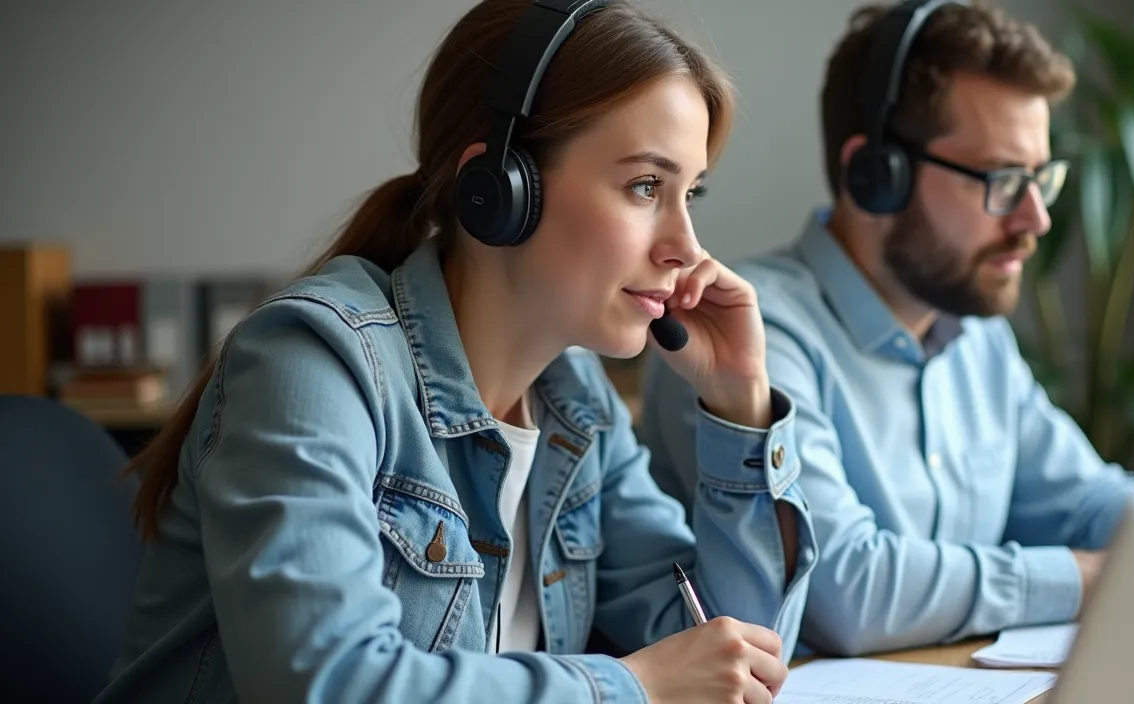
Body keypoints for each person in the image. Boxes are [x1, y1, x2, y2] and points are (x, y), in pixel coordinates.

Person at [94, 1, 816, 702]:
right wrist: (635, 687)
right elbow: (325, 684)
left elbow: (735, 653)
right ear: (500, 190)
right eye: (645, 186)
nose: (686, 249)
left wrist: (740, 401)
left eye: (691, 194)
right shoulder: (309, 366)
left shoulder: (575, 401)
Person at [636, 0, 1134, 659]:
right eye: (1005, 182)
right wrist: (1112, 573)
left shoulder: (974, 336)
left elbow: (1089, 501)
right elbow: (851, 591)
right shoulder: (740, 340)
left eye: (1043, 179)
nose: (1036, 219)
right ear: (877, 174)